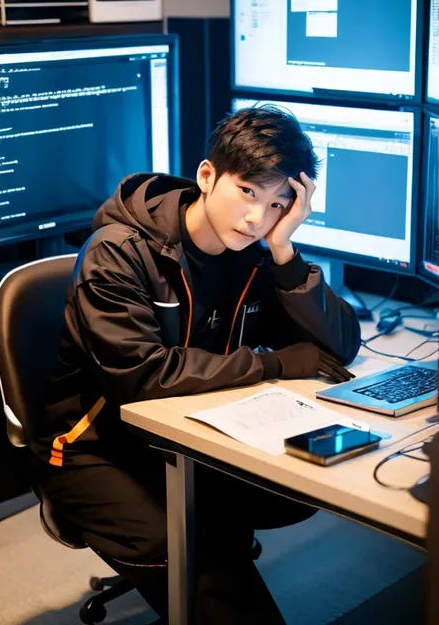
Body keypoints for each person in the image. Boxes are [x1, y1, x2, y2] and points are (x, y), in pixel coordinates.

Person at [34, 105, 361, 624]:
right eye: (249, 191)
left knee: (297, 491)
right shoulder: (120, 251)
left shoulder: (257, 249)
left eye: (279, 203)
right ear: (207, 176)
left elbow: (341, 345)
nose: (258, 217)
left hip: (195, 438)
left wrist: (285, 251)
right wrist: (273, 365)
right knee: (200, 565)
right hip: (98, 448)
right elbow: (141, 376)